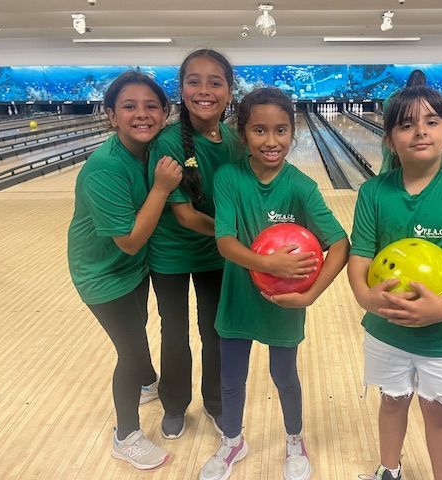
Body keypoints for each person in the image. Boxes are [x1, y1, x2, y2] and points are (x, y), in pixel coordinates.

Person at [349, 86, 442, 480]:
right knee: (392, 401)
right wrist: (365, 296)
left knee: (438, 413)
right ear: (388, 138)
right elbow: (360, 256)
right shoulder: (373, 192)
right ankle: (389, 470)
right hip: (388, 328)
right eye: (406, 124)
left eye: (432, 122)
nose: (420, 132)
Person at [199, 87, 350, 480]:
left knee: (285, 377)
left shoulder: (301, 186)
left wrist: (310, 295)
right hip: (238, 300)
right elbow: (225, 240)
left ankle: (295, 439)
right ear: (243, 133)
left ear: (293, 132)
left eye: (281, 130)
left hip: (285, 304)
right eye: (260, 130)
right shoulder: (229, 177)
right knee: (230, 379)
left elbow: (340, 244)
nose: (271, 141)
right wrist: (268, 263)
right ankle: (233, 441)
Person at [67, 71, 182, 469]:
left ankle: (147, 384)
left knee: (137, 327)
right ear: (111, 116)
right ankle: (126, 435)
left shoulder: (148, 152)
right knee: (130, 351)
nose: (142, 114)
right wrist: (162, 188)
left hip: (131, 266)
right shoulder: (105, 168)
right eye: (129, 106)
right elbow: (130, 239)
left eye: (152, 106)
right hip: (101, 271)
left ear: (165, 113)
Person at [147, 49, 245, 439]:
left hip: (215, 256)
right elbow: (185, 216)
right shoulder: (169, 141)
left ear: (229, 91)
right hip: (170, 254)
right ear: (181, 88)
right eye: (194, 81)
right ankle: (173, 404)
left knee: (216, 332)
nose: (204, 90)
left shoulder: (236, 141)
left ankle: (216, 402)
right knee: (174, 333)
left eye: (215, 82)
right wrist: (234, 238)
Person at [379, 70, 442, 174]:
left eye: (431, 123)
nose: (421, 131)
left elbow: (386, 106)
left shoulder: (392, 101)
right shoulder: (438, 107)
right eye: (407, 126)